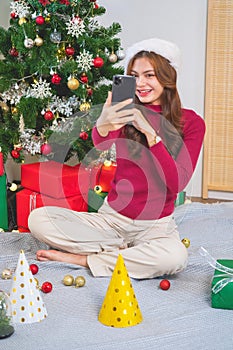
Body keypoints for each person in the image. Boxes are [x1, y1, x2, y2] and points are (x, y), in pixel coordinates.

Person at [28, 38, 205, 279]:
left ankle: (87, 260)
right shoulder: (126, 112)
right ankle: (125, 255)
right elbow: (101, 143)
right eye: (134, 75)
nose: (141, 83)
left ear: (168, 77)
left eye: (149, 75)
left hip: (155, 227)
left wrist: (151, 135)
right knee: (39, 219)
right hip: (112, 220)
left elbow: (177, 183)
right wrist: (102, 123)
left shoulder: (192, 123)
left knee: (174, 257)